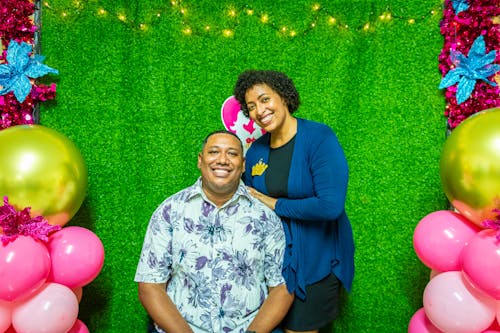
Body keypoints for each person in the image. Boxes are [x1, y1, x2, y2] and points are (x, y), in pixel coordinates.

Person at [134, 130, 294, 333]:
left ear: (243, 164)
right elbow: (150, 286)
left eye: (232, 154)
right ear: (200, 161)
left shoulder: (266, 217)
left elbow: (281, 288)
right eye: (214, 152)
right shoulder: (170, 211)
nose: (222, 160)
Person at [233, 70, 355, 333]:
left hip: (316, 260)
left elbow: (330, 205)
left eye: (265, 100)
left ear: (284, 97)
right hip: (272, 264)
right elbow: (250, 203)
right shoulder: (256, 151)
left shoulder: (319, 138)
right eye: (251, 106)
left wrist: (275, 203)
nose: (259, 111)